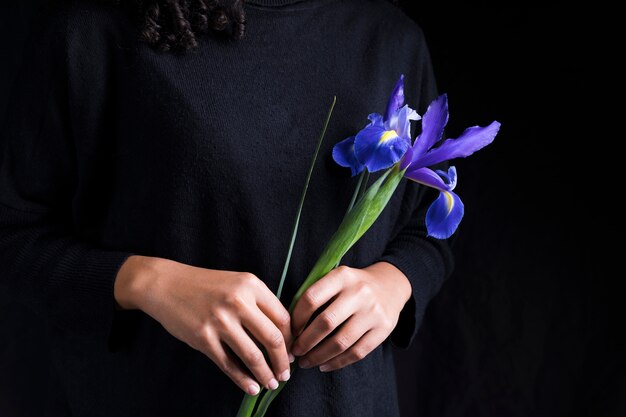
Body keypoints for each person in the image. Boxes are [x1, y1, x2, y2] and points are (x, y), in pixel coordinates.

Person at [0, 0, 453, 416]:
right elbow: (13, 238)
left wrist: (393, 284)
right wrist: (146, 281)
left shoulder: (390, 36)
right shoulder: (95, 31)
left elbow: (423, 231)